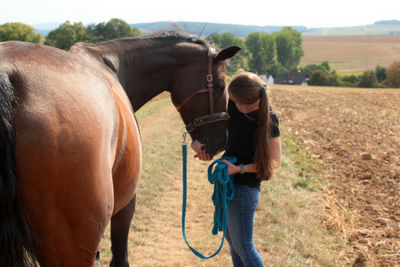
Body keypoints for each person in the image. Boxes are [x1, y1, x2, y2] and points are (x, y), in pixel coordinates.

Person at [191, 71, 281, 266]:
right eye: (232, 100)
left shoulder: (269, 119)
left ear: (253, 101)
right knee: (234, 244)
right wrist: (203, 147)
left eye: (240, 103)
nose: (234, 106)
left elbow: (273, 162)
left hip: (245, 189)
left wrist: (239, 169)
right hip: (229, 185)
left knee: (245, 247)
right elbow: (230, 140)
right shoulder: (235, 103)